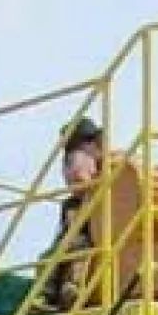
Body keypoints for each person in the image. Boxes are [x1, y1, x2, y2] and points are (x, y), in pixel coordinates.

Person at [45, 117, 104, 304]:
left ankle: (57, 288)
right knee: (75, 245)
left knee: (71, 246)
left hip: (91, 208)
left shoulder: (92, 157)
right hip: (84, 207)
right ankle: (62, 287)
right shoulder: (80, 157)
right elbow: (78, 180)